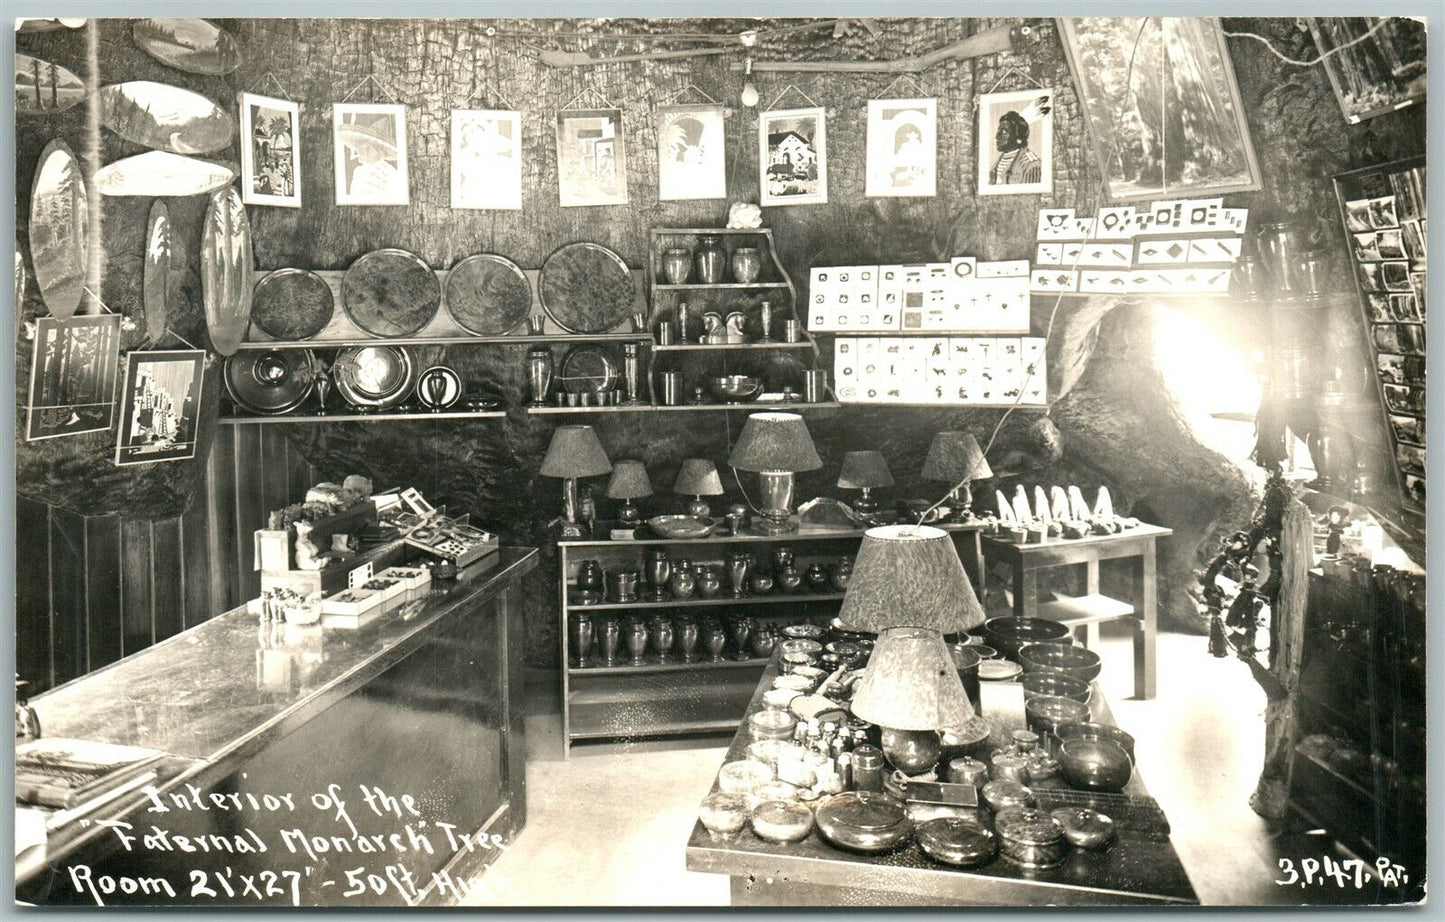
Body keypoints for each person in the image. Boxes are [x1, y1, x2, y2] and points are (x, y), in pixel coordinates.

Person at [990, 110, 1041, 185]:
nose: (997, 136)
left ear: (1018, 137)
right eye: (999, 131)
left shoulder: (1031, 164)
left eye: (1004, 132)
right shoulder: (996, 166)